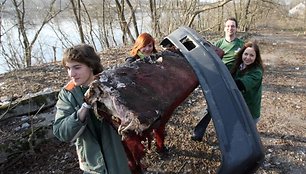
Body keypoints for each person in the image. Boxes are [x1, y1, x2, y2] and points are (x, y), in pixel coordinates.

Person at [52, 44, 131, 174]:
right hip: (93, 164)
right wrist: (85, 107)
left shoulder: (111, 83)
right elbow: (62, 132)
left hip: (121, 158)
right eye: (68, 68)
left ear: (91, 65)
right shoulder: (68, 94)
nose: (72, 74)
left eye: (77, 67)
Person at [191, 41, 263, 141]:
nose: (248, 57)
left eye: (252, 55)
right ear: (242, 54)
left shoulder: (256, 72)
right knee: (235, 131)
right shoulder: (239, 65)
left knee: (248, 134)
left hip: (249, 110)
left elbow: (239, 85)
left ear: (256, 57)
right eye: (246, 54)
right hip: (237, 105)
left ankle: (252, 150)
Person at [191, 17, 245, 141]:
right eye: (228, 26)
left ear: (236, 28)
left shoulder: (241, 45)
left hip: (234, 81)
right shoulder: (218, 44)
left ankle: (231, 136)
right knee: (211, 107)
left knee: (232, 109)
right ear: (224, 28)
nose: (230, 28)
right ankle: (198, 132)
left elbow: (246, 61)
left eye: (233, 26)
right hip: (219, 81)